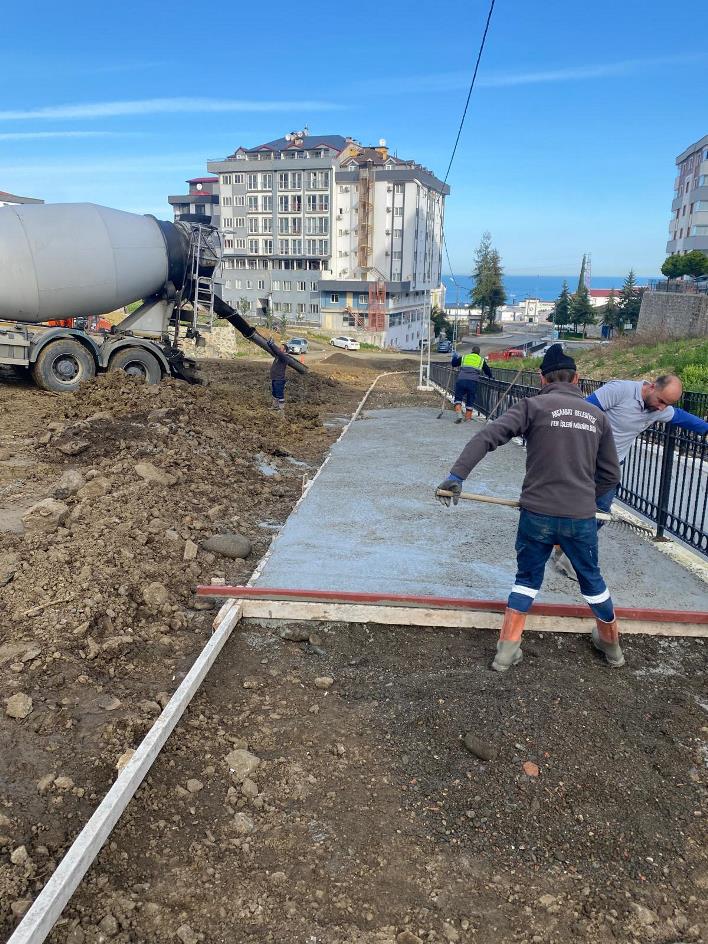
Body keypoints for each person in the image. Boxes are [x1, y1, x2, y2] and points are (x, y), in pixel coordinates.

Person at [436, 344, 623, 672]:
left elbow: (486, 437)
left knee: (526, 579)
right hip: (580, 518)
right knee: (591, 579)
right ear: (577, 378)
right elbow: (610, 476)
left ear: (542, 378)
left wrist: (456, 476)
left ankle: (506, 651)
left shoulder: (532, 407)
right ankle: (612, 647)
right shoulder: (598, 417)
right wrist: (584, 499)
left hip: (536, 514)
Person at [553, 374, 708, 578]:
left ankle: (568, 552)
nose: (662, 407)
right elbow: (582, 411)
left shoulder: (658, 409)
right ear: (652, 386)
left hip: (610, 469)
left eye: (667, 404)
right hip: (585, 460)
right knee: (573, 506)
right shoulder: (620, 391)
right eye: (661, 401)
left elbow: (681, 417)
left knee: (600, 513)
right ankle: (562, 547)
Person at [451, 345, 492, 423]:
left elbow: (454, 364)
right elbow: (487, 370)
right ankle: (467, 419)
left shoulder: (465, 357)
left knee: (458, 398)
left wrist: (454, 357)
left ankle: (459, 415)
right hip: (472, 382)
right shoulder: (481, 360)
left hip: (461, 380)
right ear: (479, 353)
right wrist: (491, 376)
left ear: (471, 351)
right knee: (470, 400)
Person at [269, 341, 288, 411]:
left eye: (281, 348)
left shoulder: (284, 357)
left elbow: (278, 352)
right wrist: (270, 345)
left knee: (280, 394)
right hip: (274, 378)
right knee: (274, 393)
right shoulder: (278, 356)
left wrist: (272, 344)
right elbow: (275, 351)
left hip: (279, 379)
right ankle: (275, 406)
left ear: (285, 350)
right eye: (279, 347)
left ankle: (281, 409)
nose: (279, 348)